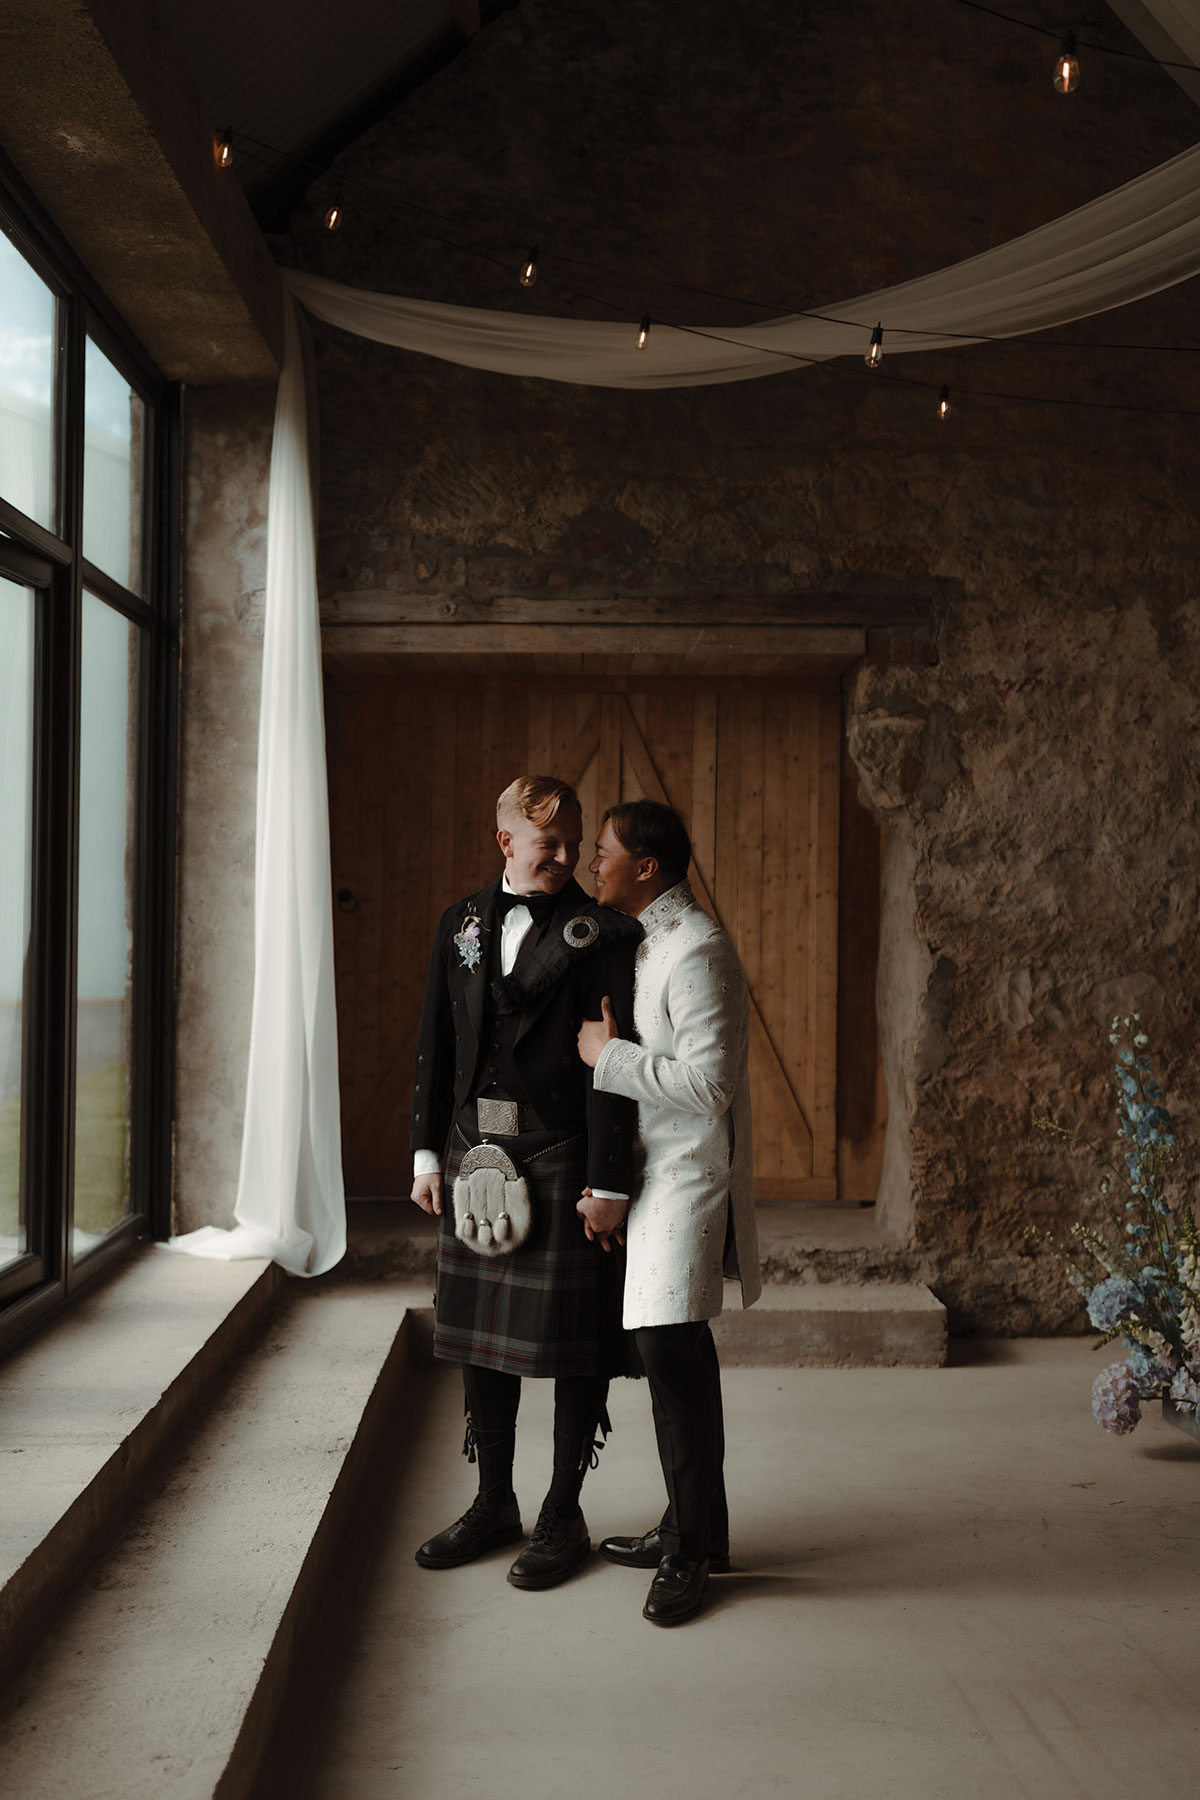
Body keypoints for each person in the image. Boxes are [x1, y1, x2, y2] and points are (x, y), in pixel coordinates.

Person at [410, 774, 641, 1590]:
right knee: (480, 1339)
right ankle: (493, 1501)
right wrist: (425, 1156)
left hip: (563, 1156)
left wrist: (610, 1181)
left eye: (576, 843)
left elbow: (613, 1063)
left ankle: (562, 1513)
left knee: (576, 1348)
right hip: (473, 1150)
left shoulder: (604, 935)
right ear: (506, 841)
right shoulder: (462, 923)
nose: (569, 857)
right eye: (550, 844)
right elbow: (436, 1042)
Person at [577, 799, 760, 1626]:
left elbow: (711, 1086)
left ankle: (689, 1554)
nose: (594, 864)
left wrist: (607, 1056)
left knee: (668, 1354)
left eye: (604, 852)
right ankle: (698, 1531)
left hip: (687, 1180)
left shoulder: (698, 949)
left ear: (645, 866)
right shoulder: (649, 940)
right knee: (676, 1358)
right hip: (652, 1179)